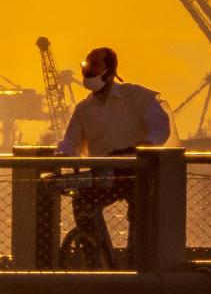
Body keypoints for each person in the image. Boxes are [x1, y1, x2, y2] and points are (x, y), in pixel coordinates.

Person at [55, 47, 170, 252]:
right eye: (86, 64)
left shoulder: (135, 95)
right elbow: (70, 141)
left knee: (141, 216)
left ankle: (137, 262)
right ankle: (99, 259)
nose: (88, 70)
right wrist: (62, 155)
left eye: (96, 64)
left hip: (138, 173)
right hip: (104, 175)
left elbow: (160, 123)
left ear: (110, 69)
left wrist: (148, 145)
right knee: (83, 205)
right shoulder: (83, 109)